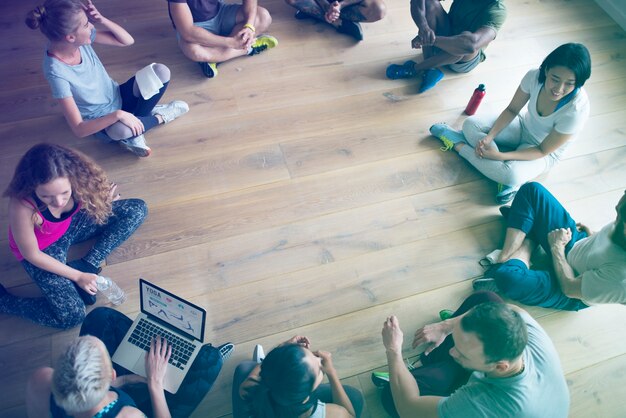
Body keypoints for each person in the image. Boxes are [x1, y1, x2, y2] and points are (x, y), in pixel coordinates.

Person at [0, 143, 147, 329]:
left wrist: (99, 203)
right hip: (43, 249)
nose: (59, 202)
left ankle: (89, 262)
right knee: (72, 317)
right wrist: (78, 277)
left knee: (137, 209)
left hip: (70, 227)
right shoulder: (21, 205)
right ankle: (4, 302)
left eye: (65, 193)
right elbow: (32, 255)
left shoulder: (81, 180)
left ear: (73, 179)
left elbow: (89, 205)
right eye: (46, 197)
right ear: (32, 186)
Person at [430, 43, 591, 203]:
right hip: (522, 125)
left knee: (510, 175)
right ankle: (505, 179)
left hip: (543, 152)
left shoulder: (576, 110)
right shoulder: (534, 77)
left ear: (578, 83)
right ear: (547, 70)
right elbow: (512, 110)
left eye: (569, 83)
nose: (559, 88)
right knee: (470, 124)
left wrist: (500, 155)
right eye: (555, 79)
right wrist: (489, 138)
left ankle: (456, 142)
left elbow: (542, 150)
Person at [26, 0, 190, 157]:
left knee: (161, 71)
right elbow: (79, 129)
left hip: (117, 95)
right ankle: (160, 117)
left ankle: (137, 128)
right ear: (70, 37)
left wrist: (102, 19)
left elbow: (127, 41)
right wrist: (118, 115)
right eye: (86, 24)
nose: (91, 26)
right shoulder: (56, 72)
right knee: (123, 131)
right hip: (102, 121)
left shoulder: (80, 39)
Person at [376, 291, 569, 418]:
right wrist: (447, 326)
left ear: (500, 366)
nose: (452, 351)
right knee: (487, 298)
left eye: (462, 353)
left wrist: (393, 350)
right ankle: (421, 368)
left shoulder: (481, 403)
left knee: (390, 397)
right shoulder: (526, 331)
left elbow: (408, 408)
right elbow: (509, 309)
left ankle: (411, 371)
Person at [25, 307, 234, 418]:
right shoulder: (129, 415)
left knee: (100, 316)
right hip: (146, 402)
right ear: (111, 375)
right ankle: (206, 362)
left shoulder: (40, 379)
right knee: (211, 361)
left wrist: (125, 380)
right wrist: (154, 382)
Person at [472, 182, 626, 310]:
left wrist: (556, 248)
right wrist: (593, 234)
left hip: (570, 288)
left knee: (509, 278)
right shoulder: (622, 220)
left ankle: (527, 239)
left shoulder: (620, 280)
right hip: (576, 242)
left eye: (619, 218)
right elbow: (609, 244)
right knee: (532, 190)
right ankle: (504, 257)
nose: (616, 211)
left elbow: (569, 289)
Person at [386, 0, 506, 93]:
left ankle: (416, 68)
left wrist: (429, 40)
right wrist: (424, 28)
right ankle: (430, 69)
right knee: (430, 3)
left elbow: (471, 45)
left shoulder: (497, 10)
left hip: (465, 59)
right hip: (447, 34)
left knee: (465, 40)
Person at [232, 335, 364, 418]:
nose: (320, 360)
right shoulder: (332, 414)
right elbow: (350, 415)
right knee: (355, 397)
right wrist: (331, 372)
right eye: (319, 370)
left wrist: (282, 350)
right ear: (308, 392)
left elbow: (265, 370)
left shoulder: (249, 389)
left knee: (243, 368)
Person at [167, 0, 278, 78]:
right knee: (194, 52)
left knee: (263, 17)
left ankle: (213, 59)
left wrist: (249, 25)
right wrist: (230, 42)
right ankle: (249, 47)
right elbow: (188, 32)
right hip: (197, 26)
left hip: (221, 13)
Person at [284, 0, 386, 41]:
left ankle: (314, 13)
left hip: (347, 3)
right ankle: (339, 23)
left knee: (379, 10)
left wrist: (341, 5)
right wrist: (326, 6)